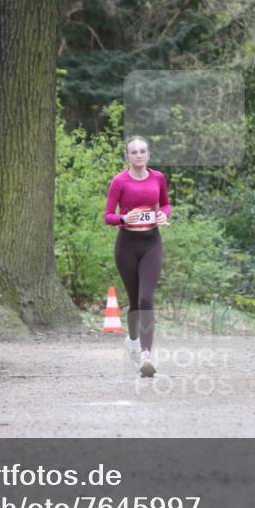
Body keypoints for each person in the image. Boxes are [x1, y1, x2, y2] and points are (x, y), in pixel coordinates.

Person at [104, 136, 170, 377]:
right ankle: (132, 343)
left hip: (152, 242)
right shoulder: (119, 182)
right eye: (134, 152)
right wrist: (123, 218)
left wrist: (163, 215)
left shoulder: (158, 178)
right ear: (128, 156)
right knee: (134, 302)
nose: (139, 155)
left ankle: (146, 356)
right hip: (127, 246)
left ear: (149, 155)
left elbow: (165, 204)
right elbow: (108, 216)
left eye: (143, 151)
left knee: (145, 299)